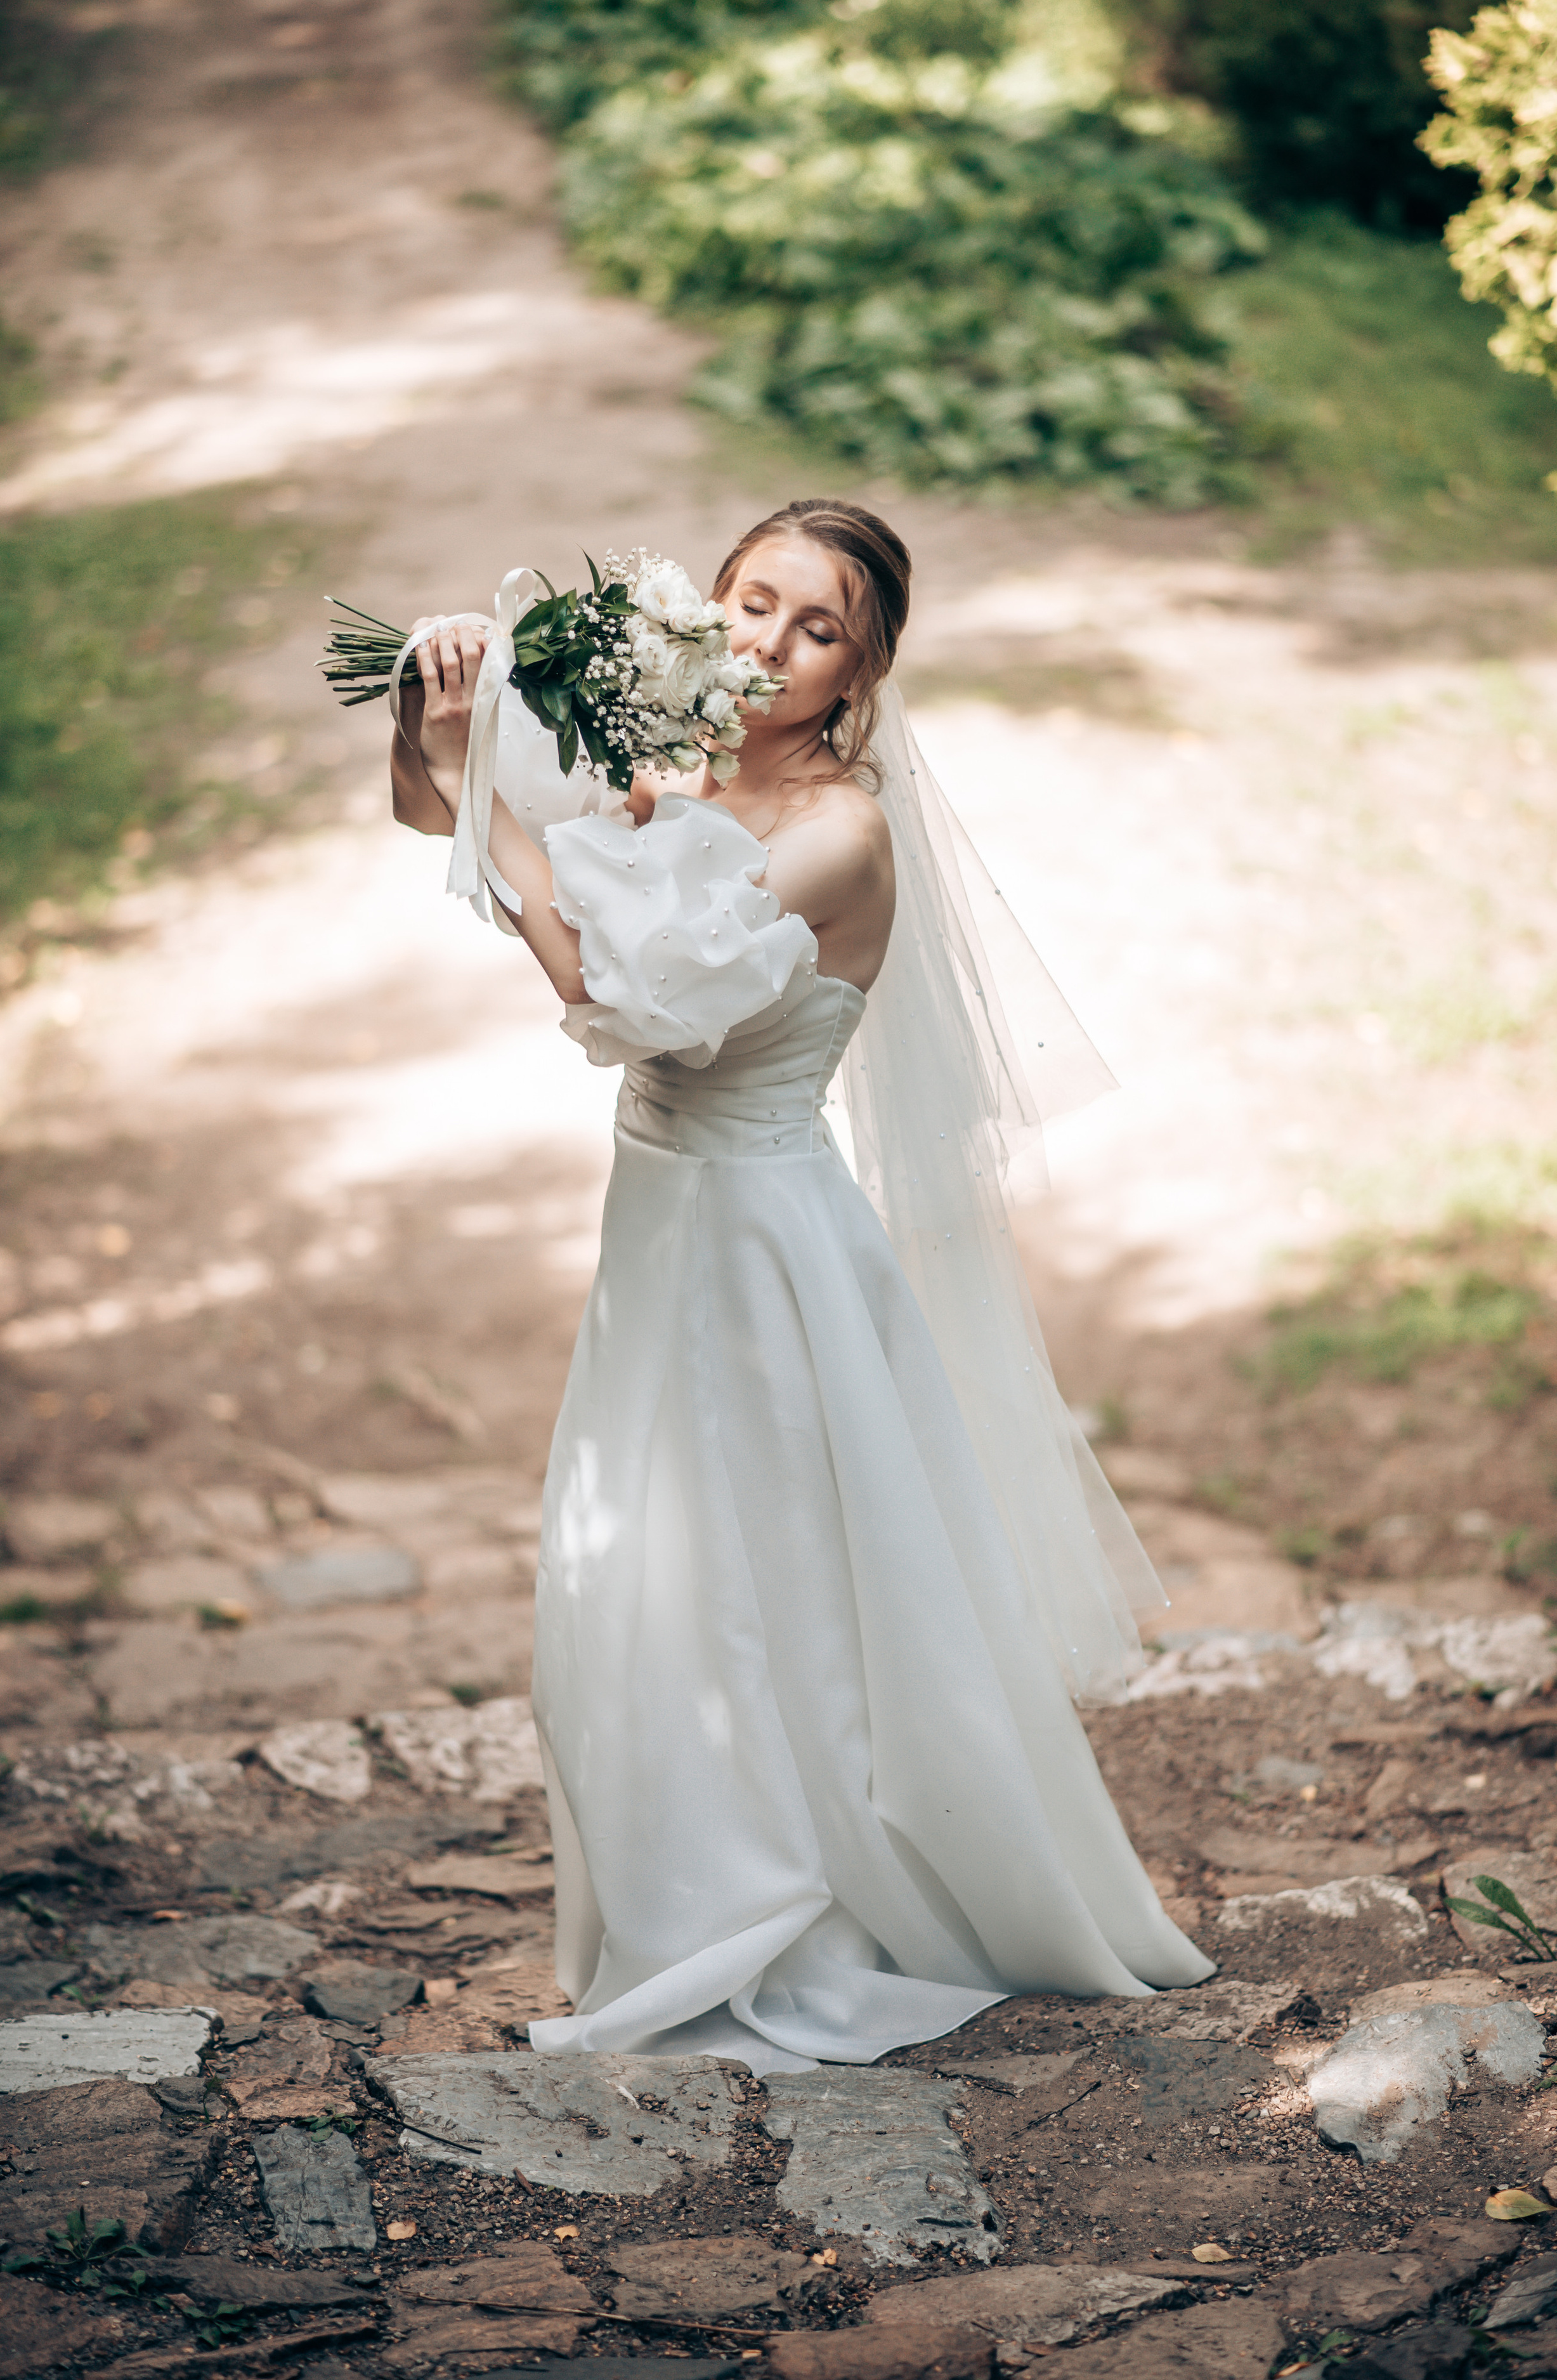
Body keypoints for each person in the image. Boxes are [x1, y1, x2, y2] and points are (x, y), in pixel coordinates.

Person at [389, 498, 1213, 2076]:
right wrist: (450, 719)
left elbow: (633, 1004)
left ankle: (781, 1909)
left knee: (759, 1597)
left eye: (814, 626)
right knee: (619, 1579)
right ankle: (668, 1904)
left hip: (763, 1250)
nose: (766, 643)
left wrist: (480, 799)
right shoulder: (674, 763)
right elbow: (446, 828)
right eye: (750, 602)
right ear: (708, 607)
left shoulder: (840, 833)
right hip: (658, 1235)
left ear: (859, 671)